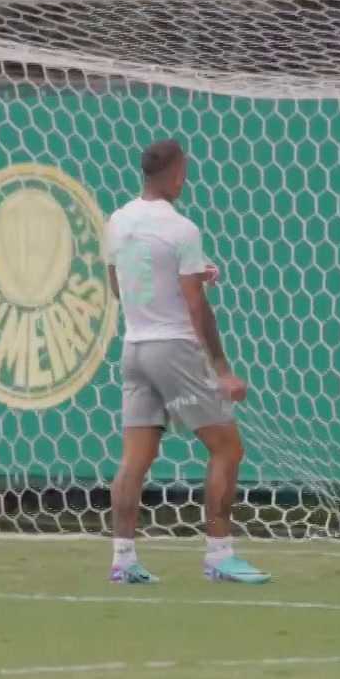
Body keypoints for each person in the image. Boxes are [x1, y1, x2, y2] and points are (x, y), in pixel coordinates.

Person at [103, 139, 270, 585]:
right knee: (227, 447)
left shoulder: (117, 222)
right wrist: (221, 368)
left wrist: (185, 282)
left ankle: (122, 560)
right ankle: (219, 555)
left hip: (134, 347)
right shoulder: (181, 229)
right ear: (176, 174)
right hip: (174, 349)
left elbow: (120, 287)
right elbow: (197, 308)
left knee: (134, 458)